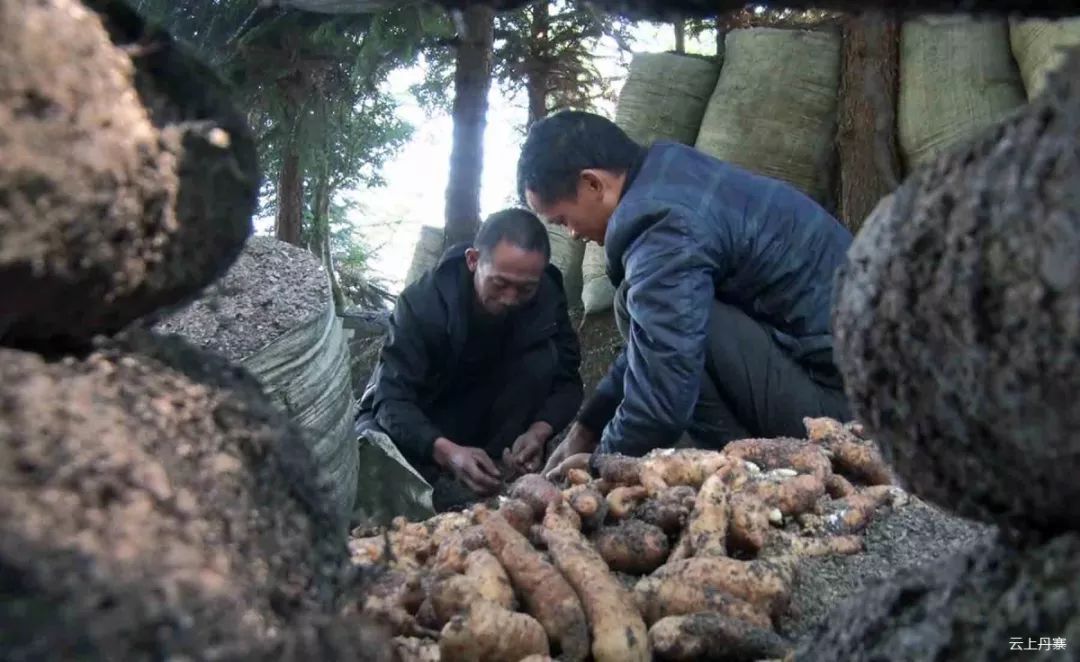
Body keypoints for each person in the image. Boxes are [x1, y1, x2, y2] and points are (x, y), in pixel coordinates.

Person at [515, 110, 854, 477]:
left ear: (593, 184)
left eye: (563, 220)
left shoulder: (659, 224)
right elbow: (661, 337)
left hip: (846, 414)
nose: (574, 235)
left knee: (639, 310)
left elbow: (662, 398)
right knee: (657, 314)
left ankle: (750, 470)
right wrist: (589, 426)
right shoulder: (674, 176)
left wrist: (596, 470)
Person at [356, 208, 583, 510]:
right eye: (499, 284)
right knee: (377, 461)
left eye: (525, 288)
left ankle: (497, 469)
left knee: (540, 360)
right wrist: (447, 452)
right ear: (473, 260)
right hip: (424, 423)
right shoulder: (423, 304)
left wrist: (538, 432)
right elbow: (391, 401)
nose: (510, 299)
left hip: (488, 420)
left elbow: (567, 382)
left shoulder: (548, 296)